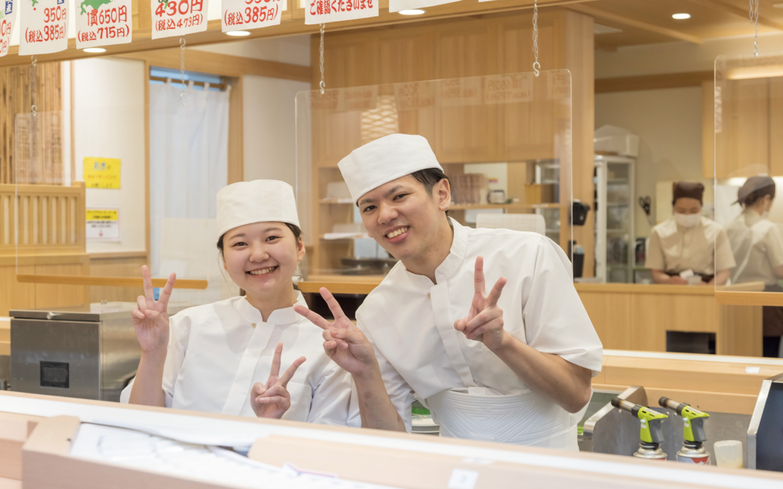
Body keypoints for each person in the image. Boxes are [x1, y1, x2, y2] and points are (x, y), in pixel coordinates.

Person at [295, 134, 602, 450]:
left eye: (399, 196)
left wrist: (504, 343)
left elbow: (576, 395)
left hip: (549, 461)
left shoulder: (528, 255)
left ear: (442, 194)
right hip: (453, 465)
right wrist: (365, 372)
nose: (384, 215)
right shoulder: (377, 311)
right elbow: (390, 440)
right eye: (369, 206)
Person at [121, 180, 359, 426]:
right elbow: (139, 423)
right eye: (240, 244)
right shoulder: (187, 326)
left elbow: (330, 439)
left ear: (299, 247)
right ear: (224, 260)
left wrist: (271, 424)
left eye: (272, 238)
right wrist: (152, 353)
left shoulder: (329, 347)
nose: (258, 255)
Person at [726, 176, 783, 358]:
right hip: (765, 302)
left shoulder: (728, 228)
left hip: (735, 298)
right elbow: (779, 269)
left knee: (741, 353)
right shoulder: (768, 228)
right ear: (766, 199)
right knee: (766, 356)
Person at [646, 181, 735, 286]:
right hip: (670, 288)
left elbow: (724, 272)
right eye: (681, 210)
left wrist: (708, 289)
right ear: (673, 207)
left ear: (701, 207)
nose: (687, 214)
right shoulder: (659, 232)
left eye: (693, 211)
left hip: (706, 286)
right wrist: (669, 281)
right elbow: (656, 272)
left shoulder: (717, 231)